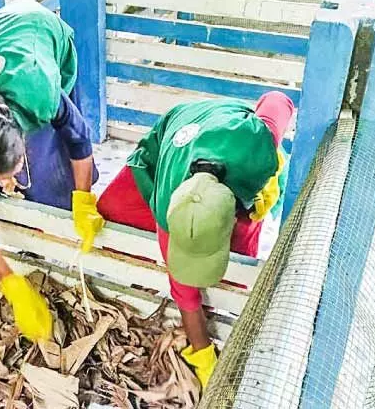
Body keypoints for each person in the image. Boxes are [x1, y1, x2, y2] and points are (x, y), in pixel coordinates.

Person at [96, 91, 294, 389]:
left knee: (240, 265)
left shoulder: (257, 141)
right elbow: (184, 292)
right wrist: (204, 356)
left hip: (232, 138)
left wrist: (273, 159)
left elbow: (279, 100)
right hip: (179, 127)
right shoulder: (167, 206)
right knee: (112, 208)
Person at [0, 0, 105, 343]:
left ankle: (59, 201)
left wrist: (83, 198)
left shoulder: (43, 90)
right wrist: (10, 281)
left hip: (41, 30)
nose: (4, 182)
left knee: (59, 151)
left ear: (22, 139)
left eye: (8, 171)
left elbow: (79, 139)